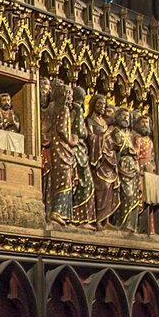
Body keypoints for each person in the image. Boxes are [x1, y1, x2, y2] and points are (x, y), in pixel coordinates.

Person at [45, 81, 75, 225]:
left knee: (59, 177)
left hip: (56, 148)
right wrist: (71, 141)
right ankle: (57, 211)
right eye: (68, 94)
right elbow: (63, 130)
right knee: (65, 177)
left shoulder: (53, 108)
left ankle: (57, 211)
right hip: (62, 148)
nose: (70, 97)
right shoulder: (63, 109)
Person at [87, 94, 118, 228]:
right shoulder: (89, 120)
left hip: (109, 158)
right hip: (98, 159)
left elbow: (109, 139)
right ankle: (98, 220)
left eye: (104, 104)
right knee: (102, 188)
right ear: (93, 104)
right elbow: (90, 137)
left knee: (110, 189)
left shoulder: (104, 122)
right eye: (99, 104)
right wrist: (105, 135)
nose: (102, 107)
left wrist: (113, 142)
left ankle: (106, 221)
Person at [112, 109, 142, 231]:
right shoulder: (115, 132)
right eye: (123, 116)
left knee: (134, 196)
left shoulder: (129, 134)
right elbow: (114, 148)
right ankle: (121, 224)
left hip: (132, 168)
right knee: (126, 195)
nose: (126, 118)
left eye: (128, 116)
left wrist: (135, 161)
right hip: (122, 165)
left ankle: (131, 225)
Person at [70, 86, 95, 226]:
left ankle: (81, 218)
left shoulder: (72, 109)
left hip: (79, 148)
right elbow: (80, 131)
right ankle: (80, 218)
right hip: (77, 147)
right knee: (85, 183)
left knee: (84, 182)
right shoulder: (77, 109)